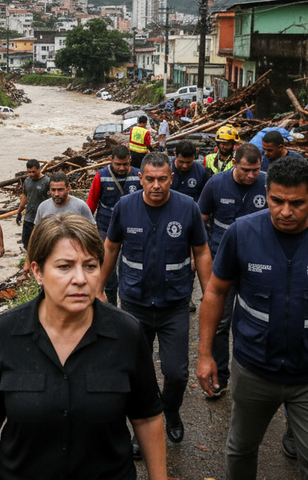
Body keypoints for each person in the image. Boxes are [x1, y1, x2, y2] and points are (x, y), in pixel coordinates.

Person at [196, 156, 308, 480]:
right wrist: (205, 354)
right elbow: (216, 292)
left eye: (296, 203)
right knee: (239, 451)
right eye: (277, 201)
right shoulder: (243, 233)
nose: (285, 212)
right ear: (267, 192)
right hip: (253, 371)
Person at [0, 213, 167, 480]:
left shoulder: (126, 334)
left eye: (90, 266)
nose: (80, 279)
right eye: (65, 266)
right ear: (37, 271)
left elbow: (147, 418)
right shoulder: (6, 333)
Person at [98, 152, 213, 451]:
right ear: (141, 178)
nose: (156, 185)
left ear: (171, 179)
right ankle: (142, 427)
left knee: (176, 372)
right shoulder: (126, 207)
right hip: (134, 305)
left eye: (163, 179)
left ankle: (171, 411)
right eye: (150, 179)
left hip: (173, 305)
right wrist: (98, 287)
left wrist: (210, 293)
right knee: (137, 371)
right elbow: (110, 248)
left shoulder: (187, 208)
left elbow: (201, 252)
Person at [196, 143, 267, 397]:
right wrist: (201, 253)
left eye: (256, 170)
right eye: (246, 170)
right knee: (219, 322)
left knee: (255, 320)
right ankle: (219, 377)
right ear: (234, 164)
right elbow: (200, 220)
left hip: (258, 267)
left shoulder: (267, 185)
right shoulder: (216, 183)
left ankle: (255, 377)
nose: (251, 175)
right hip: (221, 265)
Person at [85, 145, 141, 304]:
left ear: (130, 159)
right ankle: (111, 304)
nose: (122, 168)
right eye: (118, 164)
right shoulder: (100, 176)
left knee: (132, 264)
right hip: (105, 227)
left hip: (133, 228)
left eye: (125, 164)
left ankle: (129, 302)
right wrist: (86, 228)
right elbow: (91, 203)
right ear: (110, 160)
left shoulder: (138, 176)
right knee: (107, 267)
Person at [16, 159, 51, 250]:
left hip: (42, 218)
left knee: (41, 244)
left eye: (33, 172)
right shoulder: (27, 181)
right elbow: (24, 195)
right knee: (26, 243)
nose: (31, 174)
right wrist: (19, 211)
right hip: (29, 216)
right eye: (29, 172)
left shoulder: (47, 182)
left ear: (40, 169)